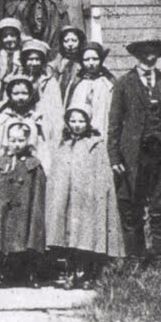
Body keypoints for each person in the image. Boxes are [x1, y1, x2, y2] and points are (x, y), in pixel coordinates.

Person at [108, 37, 161, 266]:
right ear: (136, 56)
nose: (149, 57)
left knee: (159, 207)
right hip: (133, 156)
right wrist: (115, 156)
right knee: (132, 207)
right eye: (144, 53)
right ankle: (135, 256)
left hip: (160, 155)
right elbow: (114, 122)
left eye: (153, 53)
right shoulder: (124, 83)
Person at [46, 105, 124, 286]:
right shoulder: (63, 144)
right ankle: (70, 273)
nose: (77, 125)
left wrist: (96, 193)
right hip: (68, 200)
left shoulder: (95, 144)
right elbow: (58, 172)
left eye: (81, 121)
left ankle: (88, 274)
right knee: (68, 237)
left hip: (87, 199)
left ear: (88, 122)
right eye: (72, 121)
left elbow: (102, 173)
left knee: (87, 237)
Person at [0, 119, 48, 286]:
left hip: (25, 209)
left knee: (27, 240)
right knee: (4, 240)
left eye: (21, 140)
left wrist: (35, 209)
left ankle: (30, 274)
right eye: (12, 140)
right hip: (5, 210)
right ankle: (2, 274)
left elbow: (38, 189)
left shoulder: (34, 164)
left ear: (28, 141)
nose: (17, 144)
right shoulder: (2, 163)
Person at [0, 73, 46, 180]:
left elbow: (41, 148)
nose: (20, 97)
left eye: (24, 93)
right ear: (9, 95)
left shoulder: (34, 118)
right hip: (7, 168)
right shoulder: (3, 118)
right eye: (16, 93)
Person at [21, 40, 67, 158]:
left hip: (43, 127)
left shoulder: (49, 81)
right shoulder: (18, 79)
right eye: (30, 59)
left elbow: (56, 110)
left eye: (37, 59)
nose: (33, 63)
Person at [65, 40, 115, 137]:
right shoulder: (78, 83)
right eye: (87, 60)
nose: (91, 63)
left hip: (102, 124)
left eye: (95, 59)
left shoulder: (107, 82)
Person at [0, 17, 26, 83]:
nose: (9, 39)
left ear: (18, 37)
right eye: (5, 36)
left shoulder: (24, 56)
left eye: (12, 35)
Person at [53, 25, 86, 97]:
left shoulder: (84, 62)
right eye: (66, 41)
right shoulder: (56, 64)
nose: (70, 44)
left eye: (74, 40)